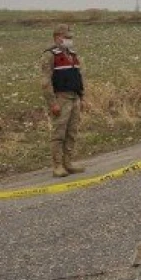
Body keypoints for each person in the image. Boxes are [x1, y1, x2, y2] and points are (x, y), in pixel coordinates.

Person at [41, 24, 86, 177]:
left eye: (70, 37)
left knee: (72, 132)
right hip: (61, 98)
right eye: (67, 37)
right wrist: (52, 102)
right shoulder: (50, 55)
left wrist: (82, 97)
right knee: (59, 133)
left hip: (74, 97)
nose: (69, 40)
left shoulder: (73, 54)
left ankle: (68, 163)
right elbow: (46, 82)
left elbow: (79, 77)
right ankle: (57, 166)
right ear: (57, 37)